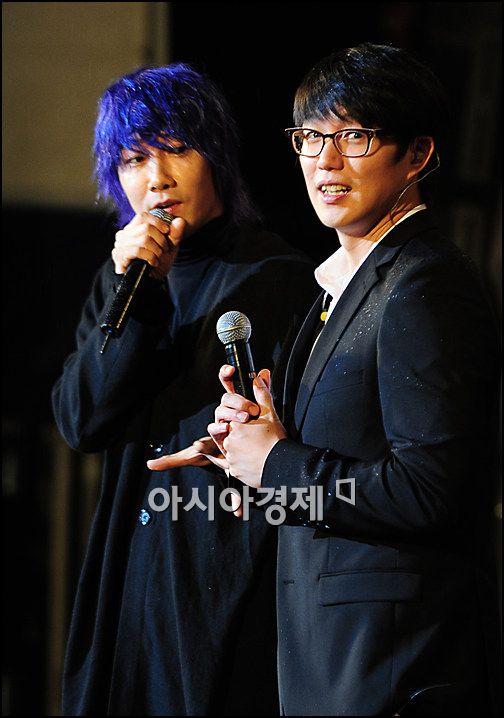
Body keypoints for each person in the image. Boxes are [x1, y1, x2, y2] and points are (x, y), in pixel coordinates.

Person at [208, 43, 502, 716]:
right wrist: (249, 456)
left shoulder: (425, 285)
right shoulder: (338, 290)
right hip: (334, 659)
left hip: (394, 667)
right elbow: (341, 469)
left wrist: (278, 463)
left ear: (418, 155)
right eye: (310, 137)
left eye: (355, 136)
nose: (326, 161)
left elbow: (429, 490)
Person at [51, 63, 318, 716]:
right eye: (134, 159)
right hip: (127, 572)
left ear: (216, 156)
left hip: (216, 573)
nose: (156, 178)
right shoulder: (124, 282)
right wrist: (136, 293)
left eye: (176, 149)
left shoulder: (279, 279)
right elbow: (80, 420)